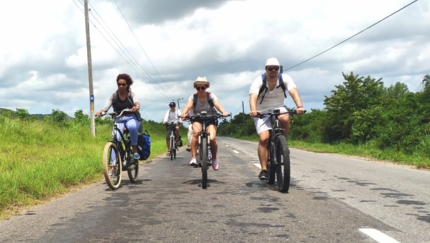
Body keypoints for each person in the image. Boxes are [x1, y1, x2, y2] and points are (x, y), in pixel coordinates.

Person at [249, 58, 305, 180]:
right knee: (264, 139)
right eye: (270, 68)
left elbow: (293, 92)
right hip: (261, 110)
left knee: (284, 118)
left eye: (276, 68)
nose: (273, 70)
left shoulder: (285, 78)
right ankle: (264, 169)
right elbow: (252, 97)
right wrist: (254, 110)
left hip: (279, 107)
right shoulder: (259, 81)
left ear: (278, 69)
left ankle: (282, 144)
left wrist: (299, 106)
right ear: (266, 69)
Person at [181, 76, 229, 170]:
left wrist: (223, 112)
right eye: (198, 88)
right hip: (197, 118)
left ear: (206, 87)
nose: (200, 90)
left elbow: (217, 105)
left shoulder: (211, 96)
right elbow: (188, 106)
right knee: (195, 134)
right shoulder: (193, 97)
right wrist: (183, 113)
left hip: (210, 118)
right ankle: (194, 157)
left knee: (212, 138)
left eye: (202, 87)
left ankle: (214, 159)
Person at [96, 73, 142, 162]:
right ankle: (113, 166)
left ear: (127, 85)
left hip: (131, 118)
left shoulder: (131, 95)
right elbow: (105, 108)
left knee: (132, 127)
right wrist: (100, 112)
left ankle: (135, 150)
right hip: (119, 120)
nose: (121, 86)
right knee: (115, 139)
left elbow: (137, 103)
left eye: (123, 84)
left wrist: (136, 107)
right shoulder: (114, 96)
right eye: (119, 84)